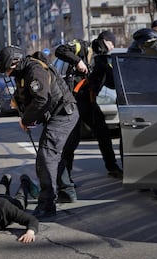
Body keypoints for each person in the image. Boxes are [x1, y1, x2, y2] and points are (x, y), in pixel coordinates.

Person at [0, 46, 79, 218]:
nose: (7, 75)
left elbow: (42, 99)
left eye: (8, 70)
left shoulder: (34, 70)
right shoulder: (23, 72)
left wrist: (26, 119)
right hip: (60, 113)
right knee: (53, 153)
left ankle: (47, 204)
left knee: (46, 157)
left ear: (15, 63)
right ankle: (67, 191)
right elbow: (26, 96)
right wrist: (21, 107)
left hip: (64, 113)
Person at [54, 31, 123, 190]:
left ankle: (112, 168)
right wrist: (78, 61)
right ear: (104, 41)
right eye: (111, 44)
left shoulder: (104, 60)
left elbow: (112, 82)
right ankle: (64, 180)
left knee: (103, 133)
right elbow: (60, 50)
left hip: (89, 101)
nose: (111, 48)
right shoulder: (82, 46)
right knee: (72, 139)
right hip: (74, 100)